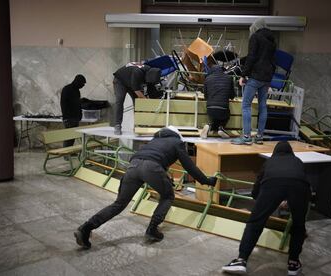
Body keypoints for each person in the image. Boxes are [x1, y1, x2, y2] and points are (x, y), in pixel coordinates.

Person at [74, 126, 217, 248]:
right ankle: (152, 229)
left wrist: (164, 177)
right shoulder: (177, 142)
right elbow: (190, 167)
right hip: (151, 168)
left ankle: (86, 228)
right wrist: (207, 181)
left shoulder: (154, 140)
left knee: (119, 204)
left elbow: (154, 159)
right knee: (168, 196)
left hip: (133, 166)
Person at [222, 141, 310, 275]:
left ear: (275, 152)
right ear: (291, 152)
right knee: (298, 225)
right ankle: (293, 263)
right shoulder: (297, 161)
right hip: (300, 187)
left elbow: (257, 189)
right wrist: (291, 202)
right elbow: (301, 182)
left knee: (255, 222)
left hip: (272, 186)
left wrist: (262, 201)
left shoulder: (269, 162)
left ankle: (241, 260)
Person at [231, 18, 276, 145]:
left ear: (255, 27)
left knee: (246, 105)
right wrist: (270, 76)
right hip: (267, 78)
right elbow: (273, 60)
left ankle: (246, 136)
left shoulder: (255, 37)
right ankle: (260, 137)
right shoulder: (272, 40)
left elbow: (251, 57)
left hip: (255, 76)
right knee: (263, 106)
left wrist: (243, 75)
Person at [113, 64, 161, 135]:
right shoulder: (137, 72)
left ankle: (139, 124)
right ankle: (117, 125)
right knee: (120, 100)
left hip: (131, 82)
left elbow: (151, 91)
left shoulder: (151, 73)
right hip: (120, 81)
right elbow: (137, 91)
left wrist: (155, 101)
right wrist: (146, 101)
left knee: (138, 103)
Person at [200, 65, 235, 139]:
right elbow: (232, 95)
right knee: (225, 116)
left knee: (215, 118)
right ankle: (221, 128)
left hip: (210, 108)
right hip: (223, 108)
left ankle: (209, 126)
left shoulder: (207, 79)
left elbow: (205, 96)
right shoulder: (229, 78)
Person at [60, 74, 86, 147]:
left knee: (72, 137)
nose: (83, 85)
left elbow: (77, 103)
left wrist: (80, 114)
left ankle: (70, 152)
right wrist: (66, 117)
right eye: (82, 83)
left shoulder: (77, 91)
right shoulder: (67, 89)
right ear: (78, 81)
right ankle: (66, 153)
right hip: (69, 118)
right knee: (68, 137)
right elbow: (64, 104)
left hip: (75, 117)